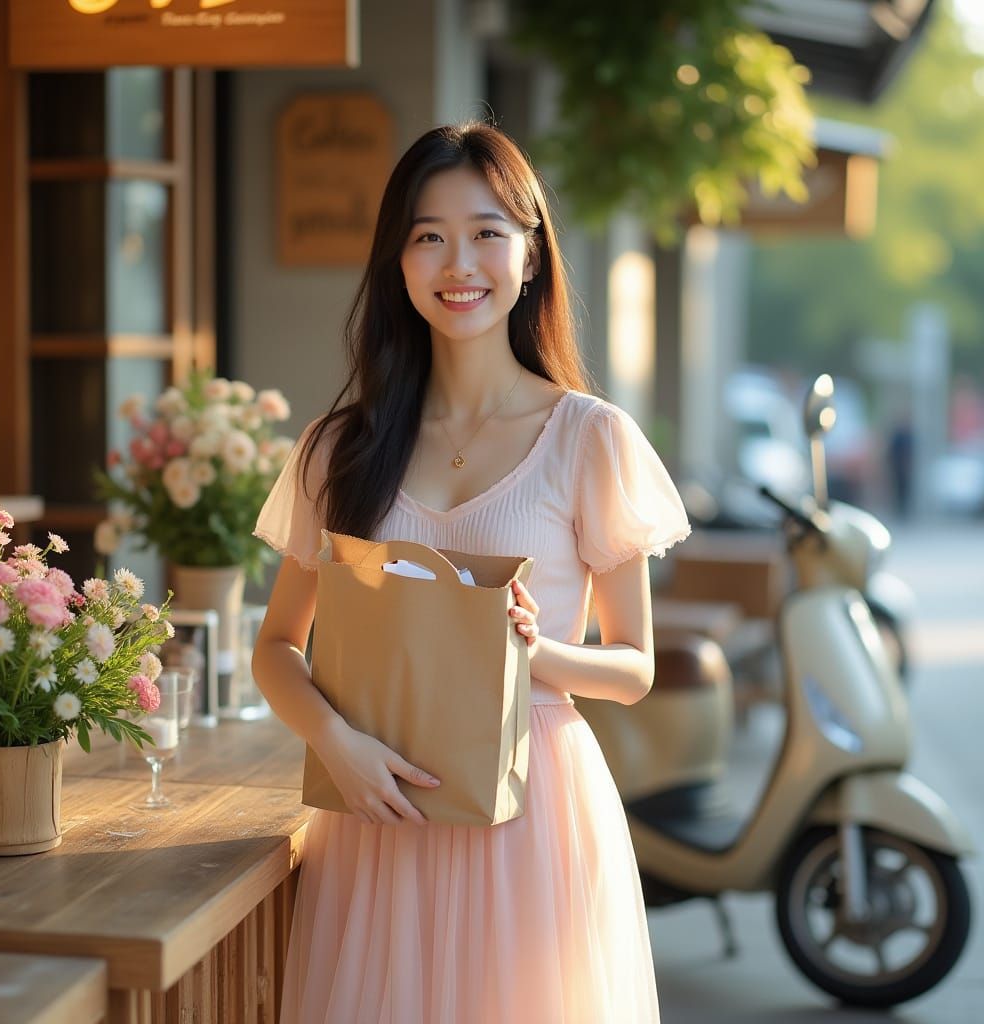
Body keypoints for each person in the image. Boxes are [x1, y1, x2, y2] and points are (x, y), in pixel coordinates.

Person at [251, 122, 691, 1024]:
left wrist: (537, 653)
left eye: (489, 231)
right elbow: (276, 648)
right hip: (379, 823)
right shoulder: (339, 449)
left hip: (533, 819)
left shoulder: (590, 438)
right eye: (429, 235)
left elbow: (636, 667)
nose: (461, 261)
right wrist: (338, 744)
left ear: (530, 258)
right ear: (399, 263)